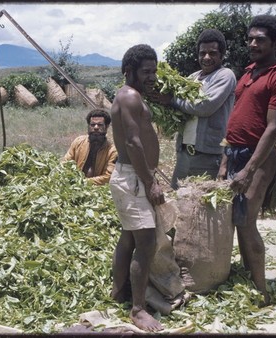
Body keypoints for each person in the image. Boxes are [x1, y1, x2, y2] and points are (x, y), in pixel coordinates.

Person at [217, 15, 276, 306]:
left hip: (258, 157)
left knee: (246, 221)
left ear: (275, 42)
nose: (252, 43)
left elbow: (273, 128)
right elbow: (237, 118)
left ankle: (261, 291)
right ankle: (248, 279)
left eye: (260, 39)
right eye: (250, 38)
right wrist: (226, 159)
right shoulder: (249, 72)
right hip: (235, 152)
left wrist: (249, 170)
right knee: (236, 219)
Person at [109, 44, 165, 332]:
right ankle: (138, 309)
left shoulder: (133, 95)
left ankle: (119, 291)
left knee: (129, 239)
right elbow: (132, 142)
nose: (152, 76)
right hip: (133, 179)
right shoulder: (129, 96)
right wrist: (150, 182)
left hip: (131, 176)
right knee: (146, 243)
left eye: (154, 70)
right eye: (146, 71)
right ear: (128, 71)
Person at [147, 29, 237, 190]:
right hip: (184, 152)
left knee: (200, 203)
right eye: (202, 53)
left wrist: (171, 100)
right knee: (178, 197)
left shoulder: (225, 75)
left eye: (212, 53)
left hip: (208, 155)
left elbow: (204, 107)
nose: (207, 57)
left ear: (222, 55)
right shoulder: (193, 77)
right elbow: (181, 109)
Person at [62, 108, 117, 185]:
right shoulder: (78, 142)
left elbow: (108, 177)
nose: (96, 127)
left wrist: (83, 182)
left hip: (97, 189)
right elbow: (65, 164)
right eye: (92, 124)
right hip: (73, 185)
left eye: (100, 125)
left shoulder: (112, 151)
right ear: (88, 126)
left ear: (106, 127)